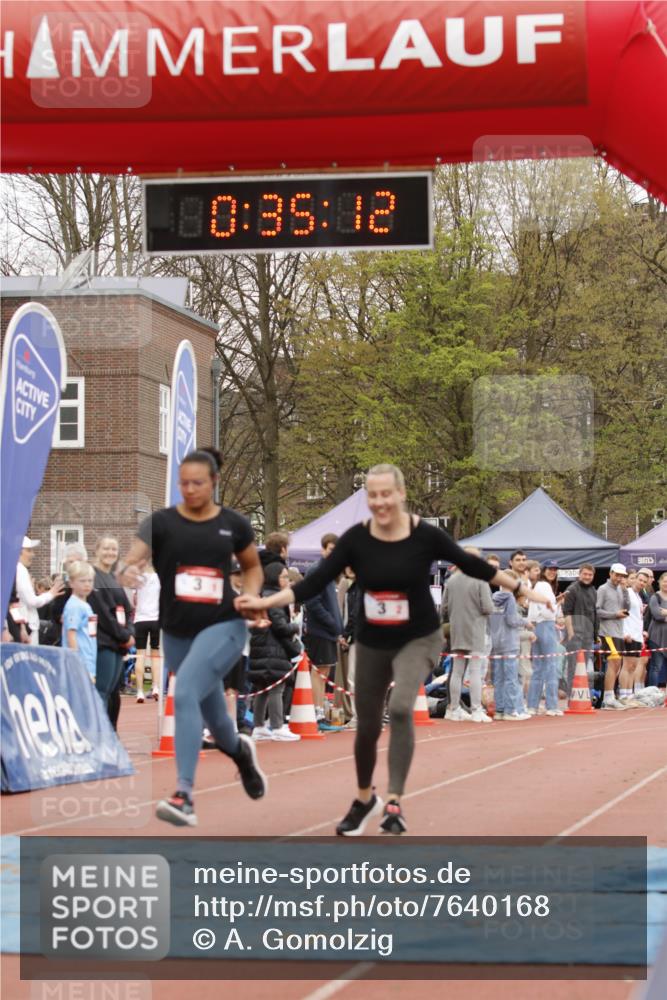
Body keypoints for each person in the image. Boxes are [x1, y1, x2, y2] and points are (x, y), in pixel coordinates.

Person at [236, 464, 551, 837]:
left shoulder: (425, 536)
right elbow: (315, 581)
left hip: (418, 637)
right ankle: (364, 796)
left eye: (387, 494)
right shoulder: (355, 539)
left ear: (401, 494)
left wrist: (517, 587)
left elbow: (472, 564)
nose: (380, 502)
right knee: (367, 726)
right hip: (372, 641)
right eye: (373, 495)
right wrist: (266, 602)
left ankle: (394, 801)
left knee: (401, 707)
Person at [117, 447, 267, 827]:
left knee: (183, 693)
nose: (190, 490)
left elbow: (252, 567)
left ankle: (183, 794)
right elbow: (132, 558)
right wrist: (127, 572)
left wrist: (250, 594)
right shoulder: (161, 523)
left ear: (214, 483)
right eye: (183, 484)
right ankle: (240, 754)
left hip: (225, 624)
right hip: (178, 631)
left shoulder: (233, 524)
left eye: (198, 483)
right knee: (215, 718)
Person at [249, 562, 302, 742]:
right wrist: (294, 626)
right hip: (272, 648)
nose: (287, 580)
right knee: (276, 688)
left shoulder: (264, 595)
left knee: (263, 688)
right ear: (275, 578)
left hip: (261, 646)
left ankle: (259, 726)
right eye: (284, 576)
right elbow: (280, 627)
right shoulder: (275, 599)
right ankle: (278, 726)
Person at [441, 551, 494, 724]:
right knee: (475, 671)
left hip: (457, 630)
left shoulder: (451, 580)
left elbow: (444, 609)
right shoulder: (480, 579)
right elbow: (487, 607)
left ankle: (453, 708)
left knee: (456, 671)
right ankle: (476, 709)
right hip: (476, 630)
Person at [89, 536, 134, 729]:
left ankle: (108, 731)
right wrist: (124, 635)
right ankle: (98, 733)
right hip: (104, 642)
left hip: (118, 643)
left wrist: (130, 632)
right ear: (97, 550)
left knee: (111, 691)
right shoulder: (94, 576)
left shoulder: (114, 579)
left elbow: (127, 609)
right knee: (101, 691)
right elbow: (103, 613)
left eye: (114, 549)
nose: (110, 553)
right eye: (106, 548)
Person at [302, 533, 344, 719]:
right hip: (319, 630)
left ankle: (319, 711)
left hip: (328, 630)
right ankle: (316, 713)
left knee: (324, 671)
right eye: (331, 550)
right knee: (319, 670)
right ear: (323, 549)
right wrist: (332, 623)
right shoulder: (317, 571)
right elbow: (313, 603)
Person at [489, 570, 530, 721]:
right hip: (510, 642)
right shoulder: (510, 599)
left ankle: (500, 710)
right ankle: (511, 710)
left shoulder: (493, 598)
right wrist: (525, 622)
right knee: (512, 678)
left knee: (499, 678)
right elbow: (512, 620)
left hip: (497, 643)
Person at [525, 562, 562, 716]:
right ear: (543, 571)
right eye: (550, 569)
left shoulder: (537, 586)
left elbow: (531, 607)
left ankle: (532, 705)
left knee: (538, 667)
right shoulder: (544, 586)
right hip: (546, 625)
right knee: (551, 665)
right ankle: (552, 705)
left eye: (555, 570)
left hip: (536, 626)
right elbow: (548, 610)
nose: (553, 572)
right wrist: (557, 608)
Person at [15, 536, 64, 644]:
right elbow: (32, 601)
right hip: (27, 628)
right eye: (29, 550)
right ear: (18, 551)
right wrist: (51, 593)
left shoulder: (15, 569)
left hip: (23, 626)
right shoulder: (20, 570)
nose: (33, 554)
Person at [562, 563, 597, 693]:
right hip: (575, 635)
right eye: (585, 574)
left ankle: (581, 695)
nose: (587, 577)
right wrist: (570, 632)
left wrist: (595, 634)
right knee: (573, 667)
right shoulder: (572, 589)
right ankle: (572, 696)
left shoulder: (593, 590)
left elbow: (594, 613)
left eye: (590, 574)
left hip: (588, 635)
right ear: (579, 574)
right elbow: (567, 612)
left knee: (584, 667)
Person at [61, 561, 97, 681]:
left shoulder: (84, 605)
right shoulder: (74, 606)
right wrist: (76, 660)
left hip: (88, 660)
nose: (87, 584)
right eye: (82, 581)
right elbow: (71, 634)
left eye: (90, 581)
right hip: (79, 663)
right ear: (71, 583)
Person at [132, 563, 161, 702]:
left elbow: (134, 601)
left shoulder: (138, 578)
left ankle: (139, 692)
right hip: (155, 619)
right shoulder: (159, 577)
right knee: (155, 654)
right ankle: (155, 687)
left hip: (140, 619)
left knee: (140, 655)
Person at [647, 572, 667, 689]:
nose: (666, 584)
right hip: (656, 637)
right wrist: (661, 613)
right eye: (664, 581)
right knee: (656, 666)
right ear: (659, 582)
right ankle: (652, 693)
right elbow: (657, 616)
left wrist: (664, 611)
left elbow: (661, 614)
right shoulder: (655, 597)